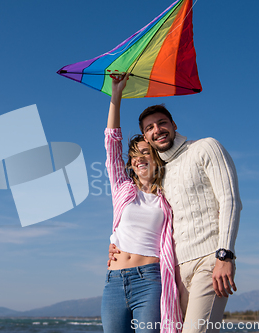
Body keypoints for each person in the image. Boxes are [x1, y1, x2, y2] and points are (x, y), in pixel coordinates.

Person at [109, 91, 242, 333]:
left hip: (209, 261)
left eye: (162, 123)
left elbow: (230, 200)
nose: (157, 129)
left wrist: (225, 255)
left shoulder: (205, 147)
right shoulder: (162, 177)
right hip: (175, 271)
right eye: (149, 127)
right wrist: (117, 241)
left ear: (174, 125)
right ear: (146, 137)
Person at [101, 73, 182, 333]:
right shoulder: (122, 189)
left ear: (156, 157)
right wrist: (116, 95)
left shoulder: (168, 195)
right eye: (134, 155)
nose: (139, 159)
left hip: (149, 281)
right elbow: (112, 143)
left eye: (145, 152)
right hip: (113, 281)